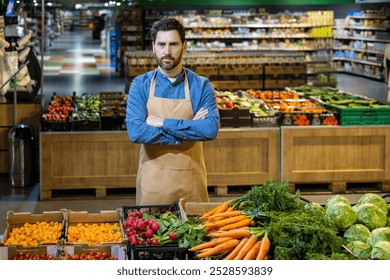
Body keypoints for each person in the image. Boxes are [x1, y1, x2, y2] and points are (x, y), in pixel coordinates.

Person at [125, 17, 220, 206]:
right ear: (153, 47)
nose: (166, 51)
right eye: (161, 44)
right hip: (152, 187)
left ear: (184, 46)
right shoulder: (140, 85)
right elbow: (136, 132)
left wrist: (162, 123)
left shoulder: (201, 86)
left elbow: (209, 129)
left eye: (174, 44)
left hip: (191, 186)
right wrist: (189, 129)